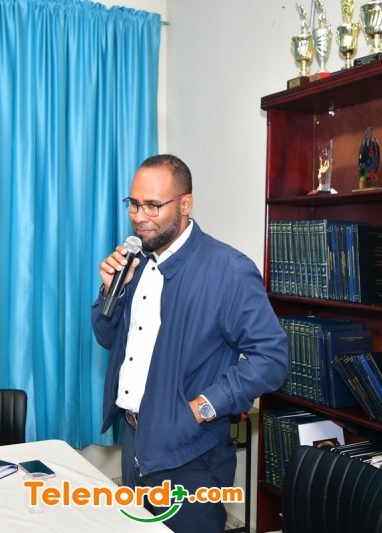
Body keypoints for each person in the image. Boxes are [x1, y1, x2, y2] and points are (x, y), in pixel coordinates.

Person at [92, 154, 289, 532]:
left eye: (153, 205)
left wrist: (202, 408)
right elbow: (106, 339)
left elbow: (272, 358)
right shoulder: (136, 262)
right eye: (134, 204)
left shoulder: (229, 270)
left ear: (185, 204)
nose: (139, 216)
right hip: (134, 440)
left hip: (190, 455)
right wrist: (109, 292)